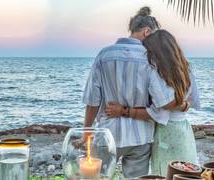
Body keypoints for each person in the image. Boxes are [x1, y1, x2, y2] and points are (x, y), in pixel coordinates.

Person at [81, 7, 183, 178]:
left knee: (97, 177)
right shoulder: (151, 58)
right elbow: (162, 102)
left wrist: (87, 133)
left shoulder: (104, 54)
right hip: (141, 137)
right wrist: (183, 103)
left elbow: (92, 99)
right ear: (146, 31)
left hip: (108, 133)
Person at [105, 29, 201, 176]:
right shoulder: (186, 68)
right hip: (184, 129)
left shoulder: (157, 71)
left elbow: (163, 106)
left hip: (166, 132)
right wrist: (183, 105)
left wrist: (123, 110)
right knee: (186, 173)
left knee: (166, 173)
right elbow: (191, 101)